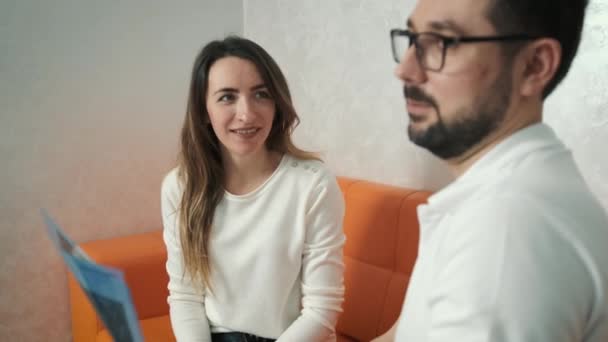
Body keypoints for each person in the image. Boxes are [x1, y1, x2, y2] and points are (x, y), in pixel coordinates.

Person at [374, 0, 608, 341]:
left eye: (441, 43)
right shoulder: (500, 195)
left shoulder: (508, 227)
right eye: (412, 39)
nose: (406, 70)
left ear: (534, 66)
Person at [160, 36, 345, 342]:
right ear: (204, 110)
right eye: (227, 97)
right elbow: (185, 298)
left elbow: (321, 311)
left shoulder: (313, 184)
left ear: (277, 103)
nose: (246, 113)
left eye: (261, 94)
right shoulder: (180, 187)